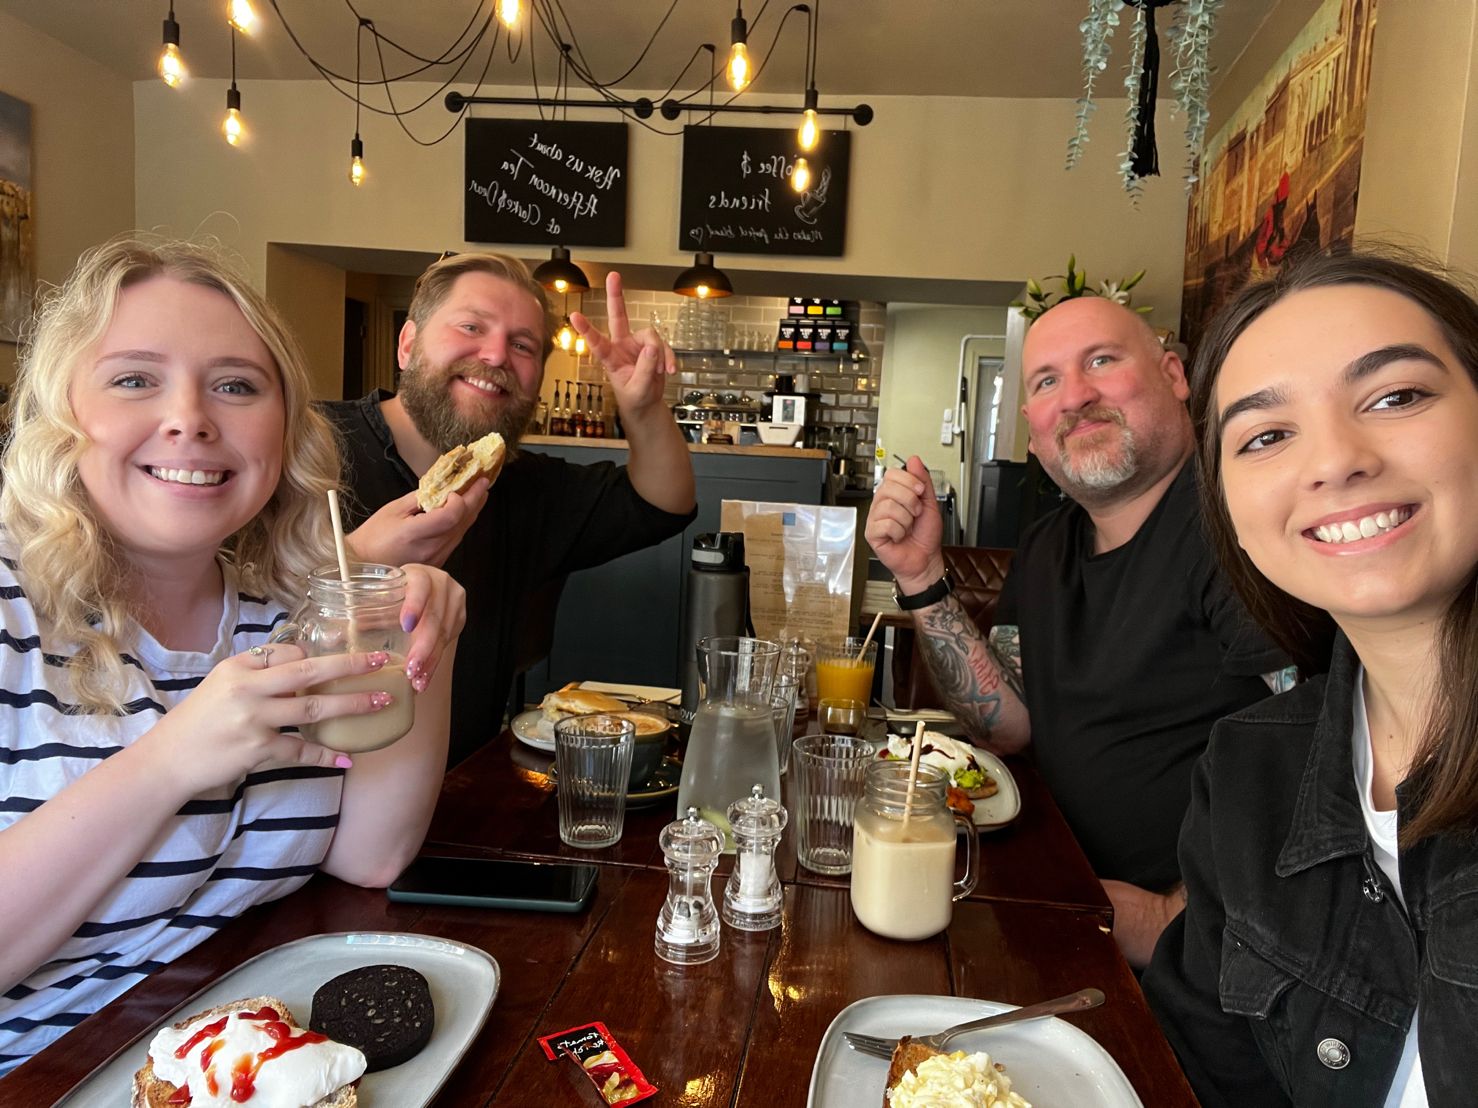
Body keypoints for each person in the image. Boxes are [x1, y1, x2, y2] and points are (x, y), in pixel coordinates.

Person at [0, 238, 465, 1074]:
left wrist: (428, 636)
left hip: (259, 1064)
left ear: (285, 428)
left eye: (236, 386)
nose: (192, 419)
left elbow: (372, 855)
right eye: (135, 378)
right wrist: (172, 760)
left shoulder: (289, 616)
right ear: (62, 413)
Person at [1144, 248, 1478, 1105]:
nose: (1334, 461)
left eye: (1396, 396)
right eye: (1267, 436)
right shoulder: (1254, 773)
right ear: (1234, 520)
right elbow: (1196, 1068)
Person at [865, 296, 1288, 966]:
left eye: (1102, 361)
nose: (1077, 397)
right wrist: (922, 578)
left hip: (1201, 956)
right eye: (1047, 381)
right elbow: (1006, 725)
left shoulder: (1235, 528)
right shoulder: (1047, 544)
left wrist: (1175, 916)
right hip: (1051, 888)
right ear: (1032, 431)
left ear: (1174, 376)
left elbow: (1324, 749)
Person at [327, 252, 696, 765]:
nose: (497, 355)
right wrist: (354, 560)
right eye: (472, 326)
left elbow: (663, 504)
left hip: (459, 808)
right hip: (291, 809)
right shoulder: (309, 446)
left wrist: (642, 408)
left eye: (522, 344)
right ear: (408, 344)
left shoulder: (523, 486)